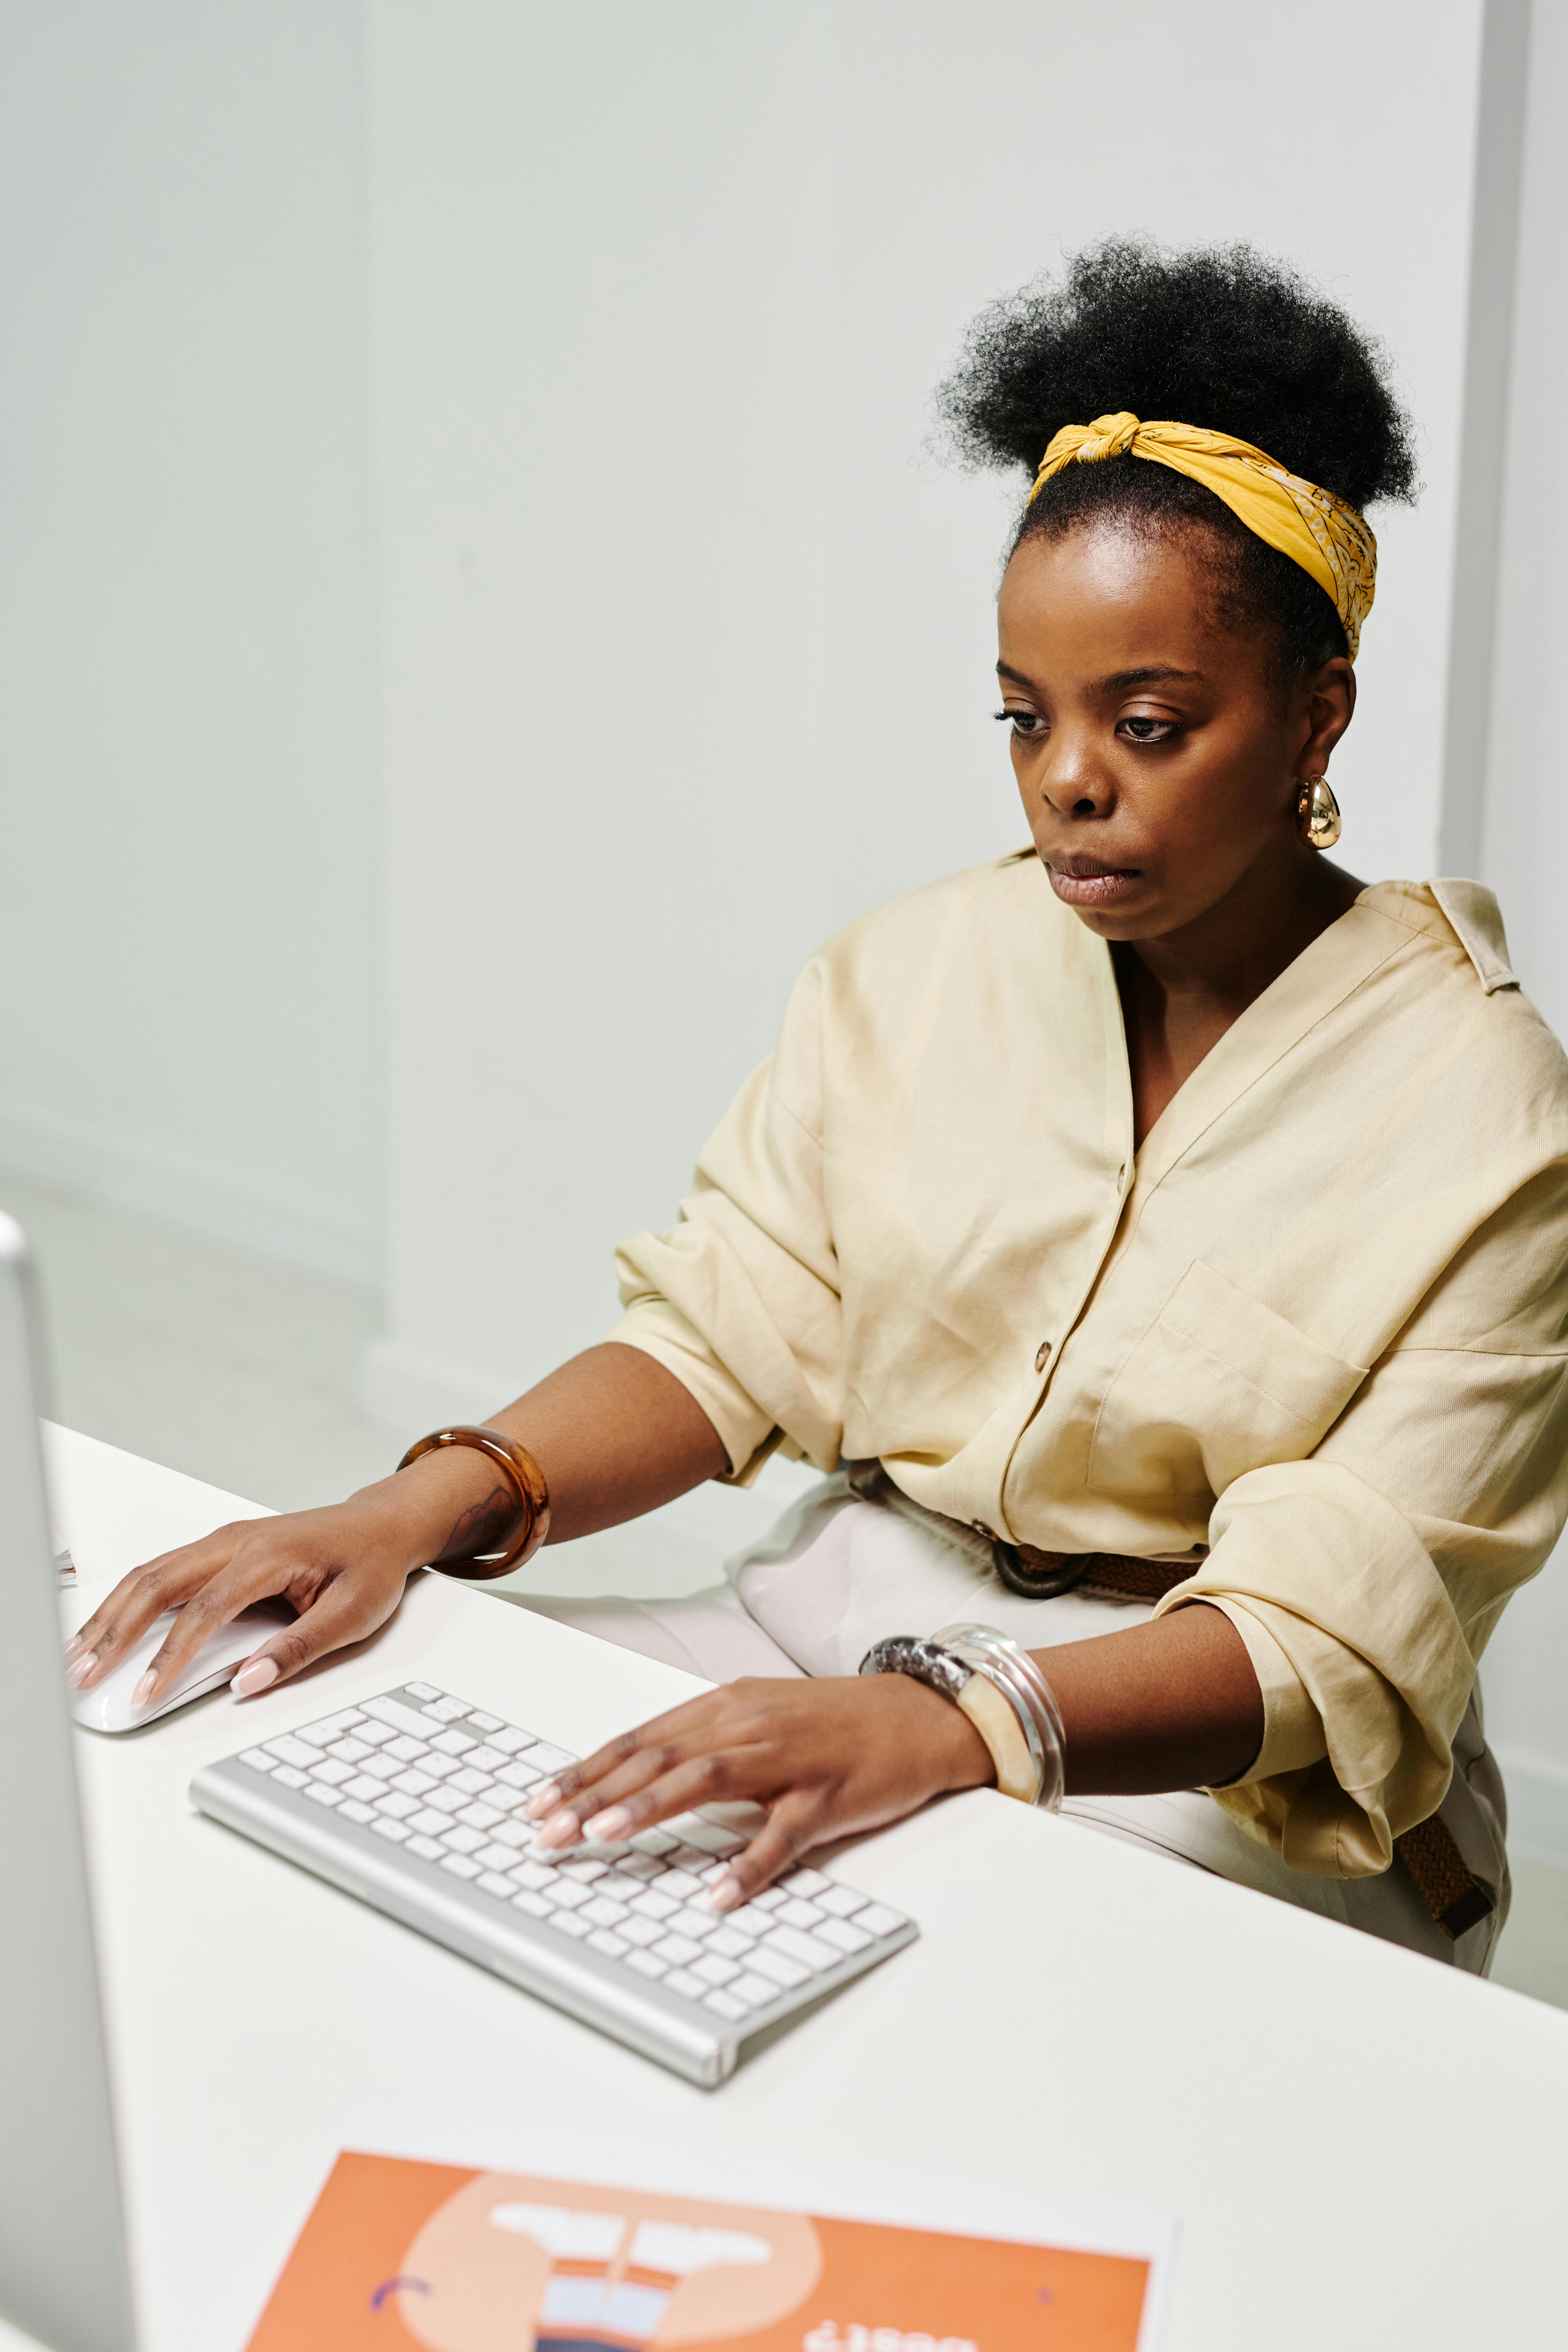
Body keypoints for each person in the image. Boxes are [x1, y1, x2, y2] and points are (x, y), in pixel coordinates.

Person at [67, 241, 1568, 1972]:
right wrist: (404, 1513)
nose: (1068, 781)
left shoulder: (1489, 1119)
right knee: (400, 1768)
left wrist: (946, 1724)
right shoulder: (913, 968)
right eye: (1025, 721)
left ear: (1318, 718)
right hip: (837, 1608)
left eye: (1146, 723)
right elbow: (733, 1331)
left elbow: (1329, 1625)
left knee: (920, 2013)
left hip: (1200, 1752)